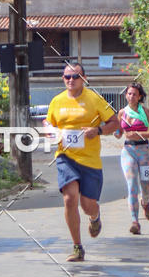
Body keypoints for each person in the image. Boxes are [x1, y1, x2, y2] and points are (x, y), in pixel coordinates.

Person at [45, 63, 119, 261]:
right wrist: (51, 132)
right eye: (66, 76)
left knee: (88, 205)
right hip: (65, 157)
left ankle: (95, 217)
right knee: (70, 198)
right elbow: (48, 123)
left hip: (90, 161)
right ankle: (77, 247)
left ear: (84, 78)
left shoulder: (94, 99)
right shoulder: (57, 101)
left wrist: (98, 131)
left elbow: (115, 122)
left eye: (75, 76)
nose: (70, 80)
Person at [116, 82, 149, 235]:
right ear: (126, 95)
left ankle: (146, 202)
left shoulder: (145, 112)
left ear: (140, 96)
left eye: (134, 94)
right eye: (129, 93)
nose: (131, 96)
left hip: (145, 152)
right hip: (128, 150)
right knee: (132, 186)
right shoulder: (122, 113)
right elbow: (118, 132)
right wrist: (115, 131)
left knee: (146, 186)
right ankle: (135, 221)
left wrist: (140, 134)